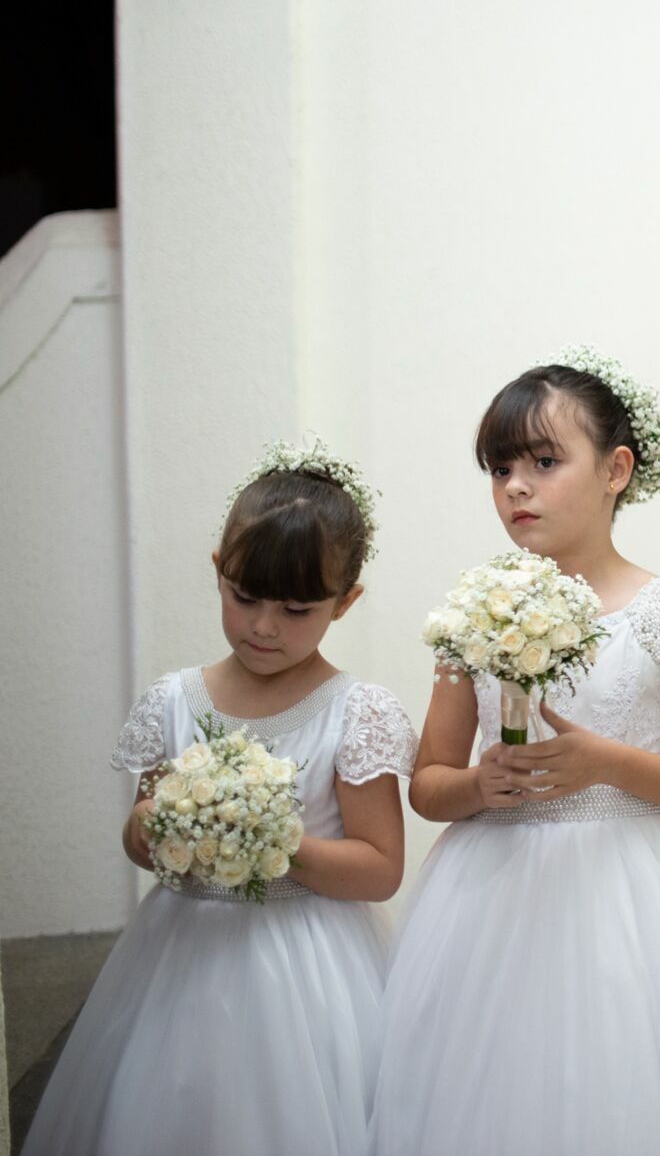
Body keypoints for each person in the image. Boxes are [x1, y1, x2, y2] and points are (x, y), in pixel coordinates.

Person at [370, 346, 660, 1154]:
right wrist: (480, 784)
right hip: (491, 894)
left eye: (544, 461)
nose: (516, 487)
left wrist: (606, 764)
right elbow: (428, 784)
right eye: (499, 468)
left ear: (616, 469)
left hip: (633, 896)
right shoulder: (473, 612)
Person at [23, 438, 417, 1156]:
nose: (264, 626)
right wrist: (151, 826)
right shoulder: (174, 700)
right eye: (244, 598)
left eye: (297, 609)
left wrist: (276, 841)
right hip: (182, 953)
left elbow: (380, 866)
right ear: (219, 572)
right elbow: (143, 837)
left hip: (305, 965)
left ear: (346, 601)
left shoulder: (355, 712)